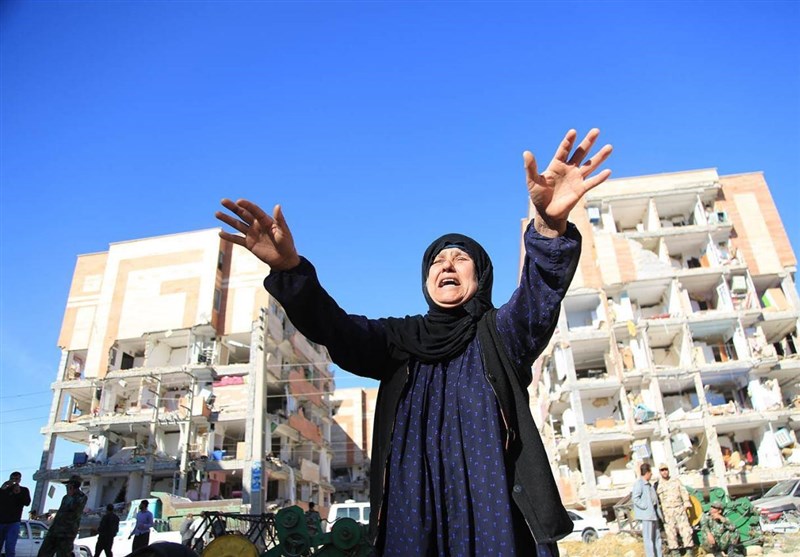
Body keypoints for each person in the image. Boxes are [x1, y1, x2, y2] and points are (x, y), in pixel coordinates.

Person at [216, 129, 613, 556]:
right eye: (437, 260)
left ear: (480, 275)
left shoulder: (502, 333)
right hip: (413, 516)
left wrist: (549, 227)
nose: (447, 265)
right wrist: (290, 270)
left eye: (461, 258)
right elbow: (335, 328)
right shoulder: (398, 340)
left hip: (494, 515)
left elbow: (540, 293)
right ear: (426, 279)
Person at [37, 474, 87, 557]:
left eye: (68, 485)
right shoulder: (65, 497)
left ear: (73, 486)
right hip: (54, 530)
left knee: (63, 554)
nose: (66, 487)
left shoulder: (81, 497)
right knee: (44, 553)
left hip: (67, 532)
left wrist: (71, 496)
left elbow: (74, 510)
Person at [655, 463, 694, 556]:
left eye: (666, 469)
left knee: (685, 530)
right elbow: (655, 499)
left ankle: (689, 550)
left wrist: (686, 503)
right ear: (660, 472)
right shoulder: (657, 485)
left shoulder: (676, 481)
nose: (664, 472)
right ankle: (675, 552)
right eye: (662, 470)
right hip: (667, 512)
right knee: (670, 533)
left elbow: (684, 492)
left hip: (679, 509)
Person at [632, 463, 663, 557]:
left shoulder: (649, 485)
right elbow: (635, 498)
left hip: (653, 514)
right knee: (648, 539)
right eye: (650, 472)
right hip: (646, 516)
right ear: (647, 472)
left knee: (657, 538)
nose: (651, 474)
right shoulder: (639, 483)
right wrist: (645, 506)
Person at [1, 471, 32, 557]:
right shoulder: (4, 490)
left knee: (10, 547)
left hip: (13, 522)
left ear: (19, 480)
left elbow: (27, 502)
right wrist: (2, 489)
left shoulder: (24, 490)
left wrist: (18, 493)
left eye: (16, 479)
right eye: (12, 479)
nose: (14, 481)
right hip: (1, 521)